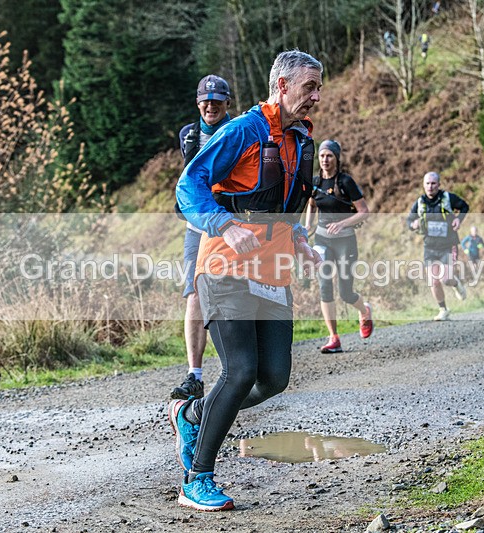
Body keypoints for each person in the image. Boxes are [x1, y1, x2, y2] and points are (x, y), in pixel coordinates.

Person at [170, 49, 323, 511]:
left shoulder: (302, 140)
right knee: (240, 371)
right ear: (281, 86)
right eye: (308, 87)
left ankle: (193, 414)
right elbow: (189, 185)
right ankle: (197, 478)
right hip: (224, 267)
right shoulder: (244, 131)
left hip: (273, 269)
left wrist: (298, 236)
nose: (316, 95)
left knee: (273, 377)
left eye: (319, 87)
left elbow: (278, 202)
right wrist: (222, 224)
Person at [170, 75, 233, 401]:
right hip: (198, 226)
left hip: (231, 225)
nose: (211, 105)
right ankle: (194, 375)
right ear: (198, 103)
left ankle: (236, 370)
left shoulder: (236, 131)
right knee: (194, 291)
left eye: (217, 100)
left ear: (227, 103)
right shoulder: (188, 135)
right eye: (206, 101)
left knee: (233, 292)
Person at [304, 139, 372, 353]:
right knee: (325, 286)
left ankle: (364, 311)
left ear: (336, 158)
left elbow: (364, 211)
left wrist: (342, 223)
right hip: (322, 240)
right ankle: (333, 337)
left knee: (345, 292)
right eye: (322, 155)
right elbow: (312, 204)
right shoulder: (315, 183)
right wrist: (308, 226)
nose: (325, 159)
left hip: (345, 240)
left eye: (329, 155)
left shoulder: (345, 182)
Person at [407, 171, 469, 321]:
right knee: (433, 280)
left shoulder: (448, 198)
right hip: (430, 246)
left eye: (433, 183)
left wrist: (458, 220)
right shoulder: (420, 203)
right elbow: (409, 219)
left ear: (439, 185)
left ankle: (457, 284)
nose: (430, 186)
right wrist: (413, 224)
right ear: (423, 185)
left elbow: (465, 206)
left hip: (448, 245)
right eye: (427, 183)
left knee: (446, 279)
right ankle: (443, 309)